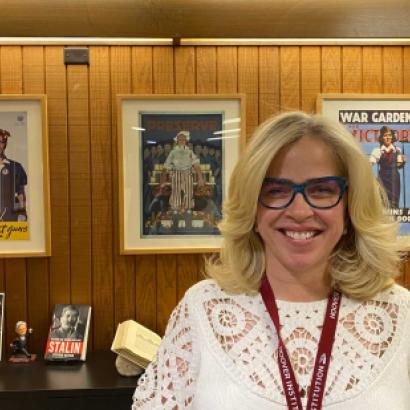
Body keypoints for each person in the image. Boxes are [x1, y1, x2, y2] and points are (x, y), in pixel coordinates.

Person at [132, 112, 410, 409]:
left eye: (322, 190)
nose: (301, 211)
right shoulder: (203, 310)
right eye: (276, 191)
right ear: (251, 210)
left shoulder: (401, 315)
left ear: (350, 206)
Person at [161, 131, 204, 228]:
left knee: (188, 196)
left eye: (183, 138)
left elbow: (196, 165)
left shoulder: (189, 152)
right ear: (177, 140)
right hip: (176, 175)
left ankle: (188, 224)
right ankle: (175, 225)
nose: (181, 140)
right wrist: (163, 180)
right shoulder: (173, 152)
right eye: (179, 138)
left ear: (186, 140)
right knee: (176, 196)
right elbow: (166, 166)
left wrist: (200, 178)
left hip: (188, 175)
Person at [369, 125, 406, 208]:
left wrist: (403, 161)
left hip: (394, 180)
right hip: (382, 180)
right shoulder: (377, 150)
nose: (388, 137)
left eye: (389, 135)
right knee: (383, 203)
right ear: (382, 137)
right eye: (385, 135)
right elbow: (369, 165)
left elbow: (399, 166)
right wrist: (373, 178)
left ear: (392, 137)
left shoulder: (397, 150)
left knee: (394, 204)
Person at [0, 129, 27, 221]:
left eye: (2, 142)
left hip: (9, 218)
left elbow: (20, 194)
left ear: (5, 144)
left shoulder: (16, 167)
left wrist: (22, 213)